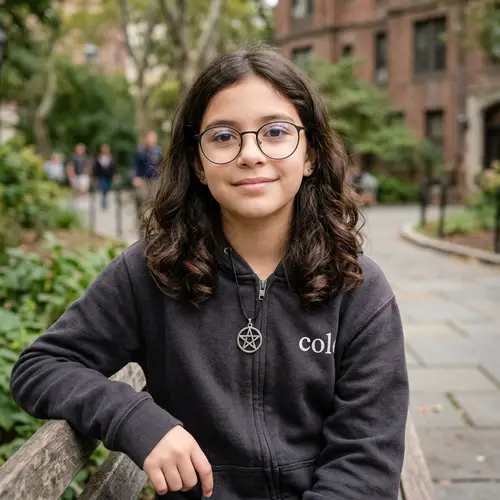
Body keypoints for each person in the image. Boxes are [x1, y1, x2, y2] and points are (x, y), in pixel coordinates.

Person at [10, 47, 408, 500]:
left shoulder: (356, 288)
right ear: (198, 162)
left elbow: (365, 464)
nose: (251, 154)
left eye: (276, 132)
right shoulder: (152, 272)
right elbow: (41, 366)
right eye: (223, 136)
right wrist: (136, 420)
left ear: (310, 154)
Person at [133, 130, 162, 220]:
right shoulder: (140, 151)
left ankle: (149, 224)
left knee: (153, 202)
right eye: (150, 137)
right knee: (142, 201)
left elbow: (161, 165)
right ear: (147, 138)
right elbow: (135, 165)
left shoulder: (158, 151)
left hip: (154, 180)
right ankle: (141, 222)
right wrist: (135, 177)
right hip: (142, 180)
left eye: (153, 138)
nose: (152, 140)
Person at [93, 144, 117, 210]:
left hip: (109, 176)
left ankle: (105, 200)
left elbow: (114, 168)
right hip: (101, 176)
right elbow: (96, 168)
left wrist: (115, 175)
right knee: (104, 188)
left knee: (107, 189)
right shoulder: (99, 158)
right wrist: (95, 176)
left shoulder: (111, 158)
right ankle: (104, 203)